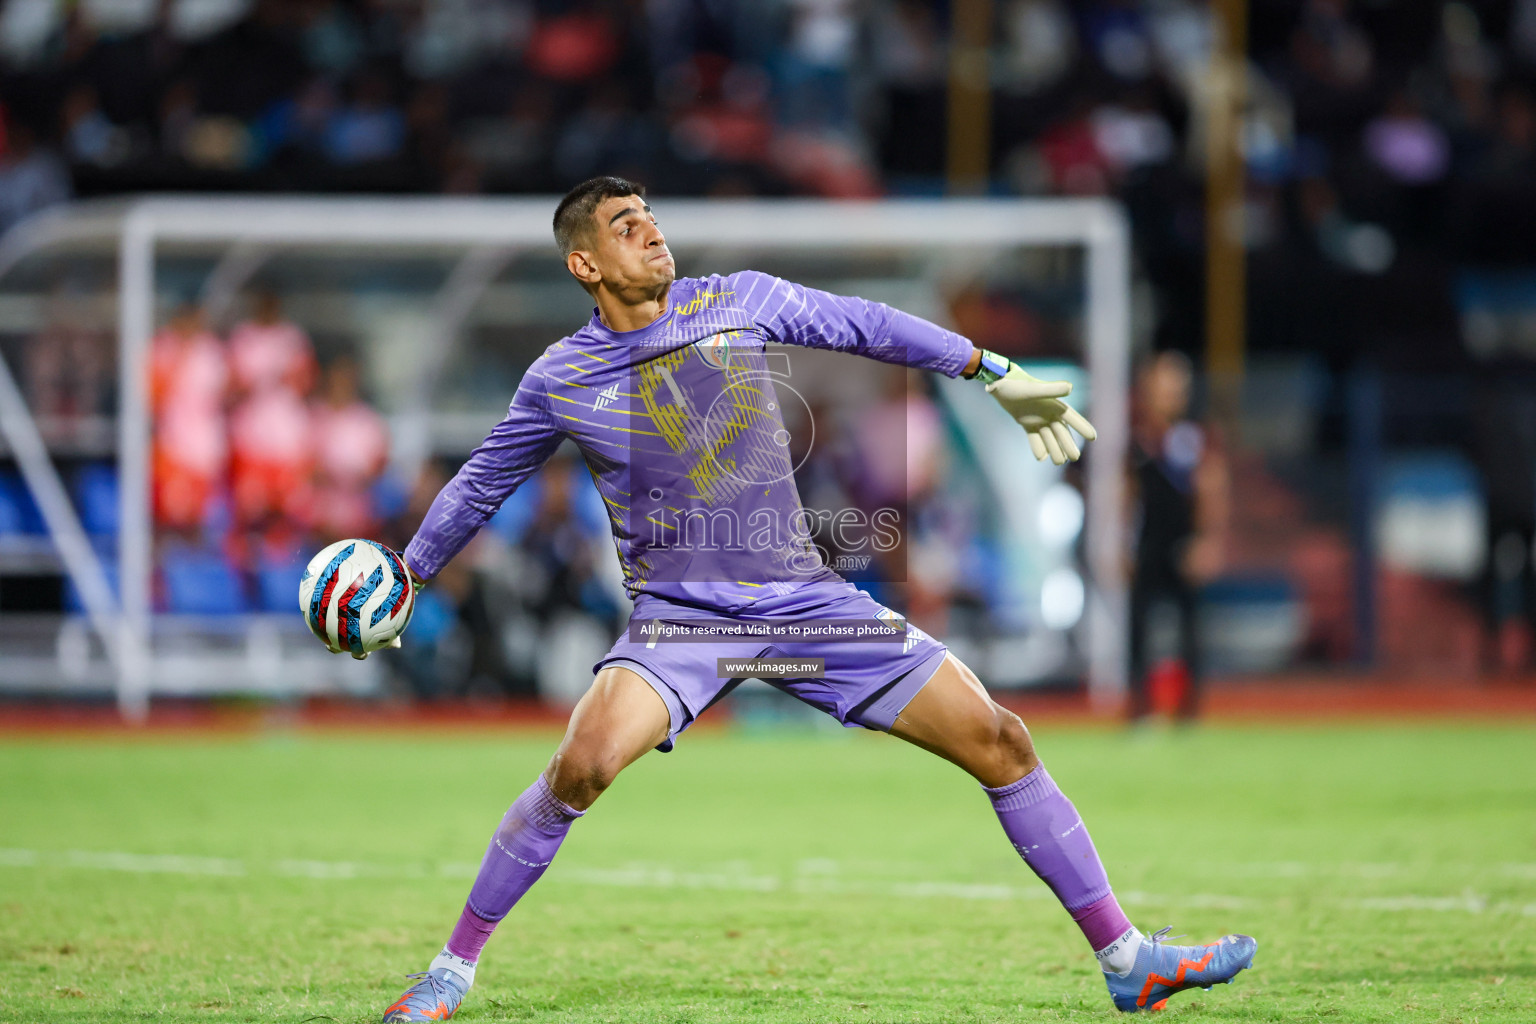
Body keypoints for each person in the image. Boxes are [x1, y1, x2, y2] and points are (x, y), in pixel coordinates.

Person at [368, 177, 1255, 1021]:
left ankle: (1127, 961)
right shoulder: (560, 377)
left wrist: (988, 367)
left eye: (650, 214)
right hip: (685, 624)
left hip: (803, 606)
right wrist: (410, 572)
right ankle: (451, 970)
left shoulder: (738, 298)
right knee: (583, 765)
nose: (650, 229)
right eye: (624, 225)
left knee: (1001, 739)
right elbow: (480, 482)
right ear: (585, 265)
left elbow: (865, 325)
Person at [1126, 351, 1230, 723]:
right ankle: (1140, 710)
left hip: (1184, 541)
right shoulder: (1136, 436)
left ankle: (1189, 712)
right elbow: (1125, 493)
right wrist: (1120, 543)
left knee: (1190, 630)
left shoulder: (1195, 434)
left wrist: (1207, 540)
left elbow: (1212, 486)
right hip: (1147, 542)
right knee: (1138, 629)